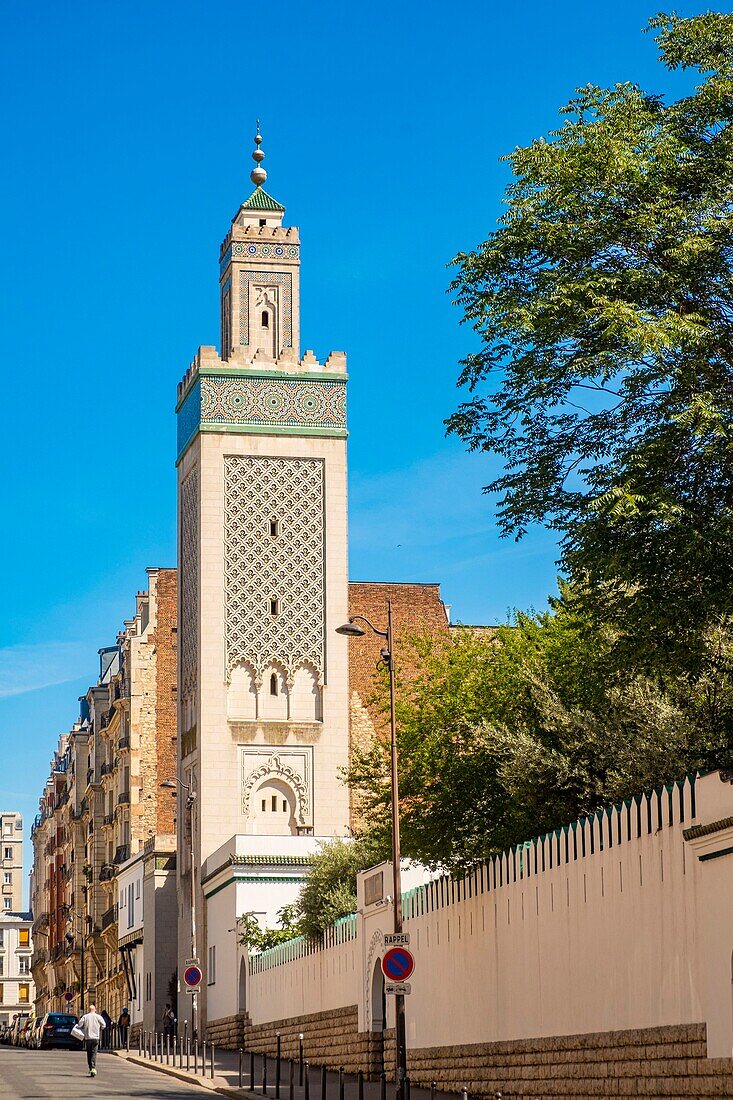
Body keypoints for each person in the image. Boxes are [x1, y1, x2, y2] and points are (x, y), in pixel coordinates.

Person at [76, 1002, 106, 1077]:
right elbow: (104, 1025)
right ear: (95, 1010)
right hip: (96, 1037)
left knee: (89, 1053)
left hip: (88, 1037)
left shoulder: (85, 1017)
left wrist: (82, 1027)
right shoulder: (98, 1017)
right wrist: (100, 1028)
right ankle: (93, 1067)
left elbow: (79, 1025)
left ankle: (90, 1067)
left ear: (88, 1010)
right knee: (94, 1053)